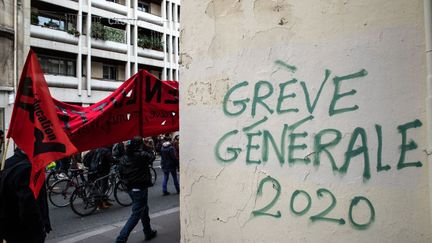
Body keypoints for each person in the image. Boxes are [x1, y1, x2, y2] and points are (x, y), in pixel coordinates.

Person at [1, 148, 51, 243]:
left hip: (9, 227)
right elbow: (28, 207)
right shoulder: (27, 168)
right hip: (24, 233)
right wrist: (39, 231)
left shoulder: (7, 162)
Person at [116, 136, 157, 243]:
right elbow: (152, 157)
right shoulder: (141, 155)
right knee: (136, 214)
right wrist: (147, 147)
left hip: (131, 188)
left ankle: (148, 232)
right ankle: (121, 239)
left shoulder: (124, 157)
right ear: (139, 145)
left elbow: (120, 172)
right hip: (140, 188)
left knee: (144, 209)